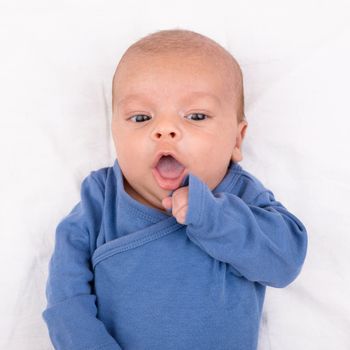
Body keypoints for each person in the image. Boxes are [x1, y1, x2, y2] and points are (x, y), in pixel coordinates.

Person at [42, 29, 308, 350]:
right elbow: (66, 301)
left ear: (237, 140)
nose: (164, 129)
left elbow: (284, 262)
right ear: (115, 133)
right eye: (141, 117)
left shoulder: (241, 197)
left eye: (195, 115)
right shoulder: (99, 200)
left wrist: (211, 215)